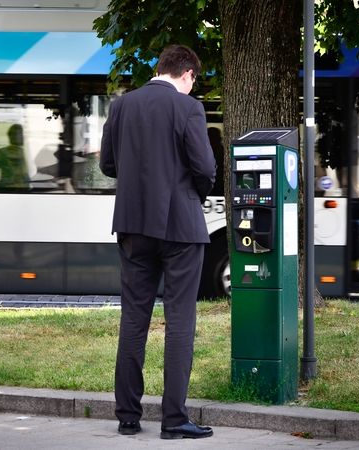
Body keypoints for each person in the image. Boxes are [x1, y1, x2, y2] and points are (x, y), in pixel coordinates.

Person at [99, 45, 216, 440]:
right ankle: (174, 420)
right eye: (192, 82)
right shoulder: (188, 108)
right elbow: (204, 168)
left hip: (132, 225)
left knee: (133, 319)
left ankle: (128, 417)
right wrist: (193, 193)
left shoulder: (121, 106)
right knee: (180, 320)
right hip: (181, 227)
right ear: (187, 75)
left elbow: (107, 165)